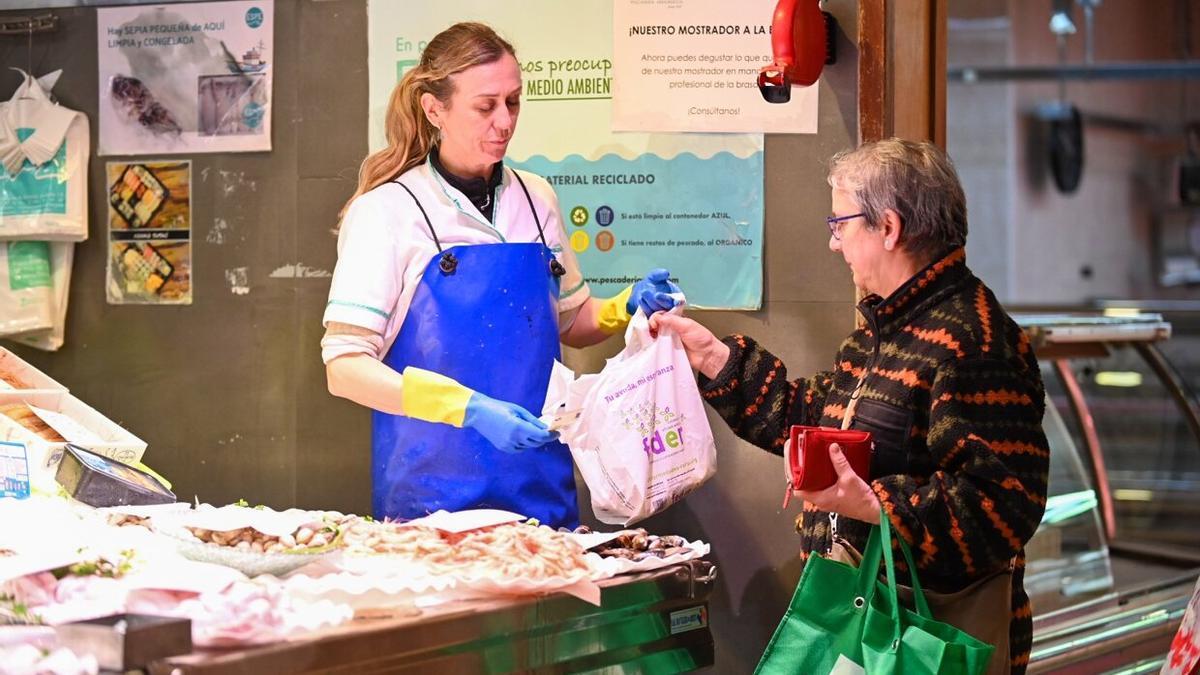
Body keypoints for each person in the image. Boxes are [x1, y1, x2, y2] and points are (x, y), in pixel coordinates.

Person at [652, 138, 1049, 674]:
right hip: (865, 627)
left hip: (925, 639)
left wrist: (875, 503)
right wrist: (713, 357)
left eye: (840, 224)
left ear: (888, 228)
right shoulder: (886, 327)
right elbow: (807, 420)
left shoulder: (973, 341)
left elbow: (1003, 509)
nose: (834, 243)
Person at [321, 22, 678, 529]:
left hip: (539, 482)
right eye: (485, 106)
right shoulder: (387, 212)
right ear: (434, 109)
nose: (504, 121)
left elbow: (571, 323)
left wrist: (627, 306)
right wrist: (467, 408)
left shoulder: (536, 197)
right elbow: (345, 368)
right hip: (431, 498)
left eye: (513, 102)